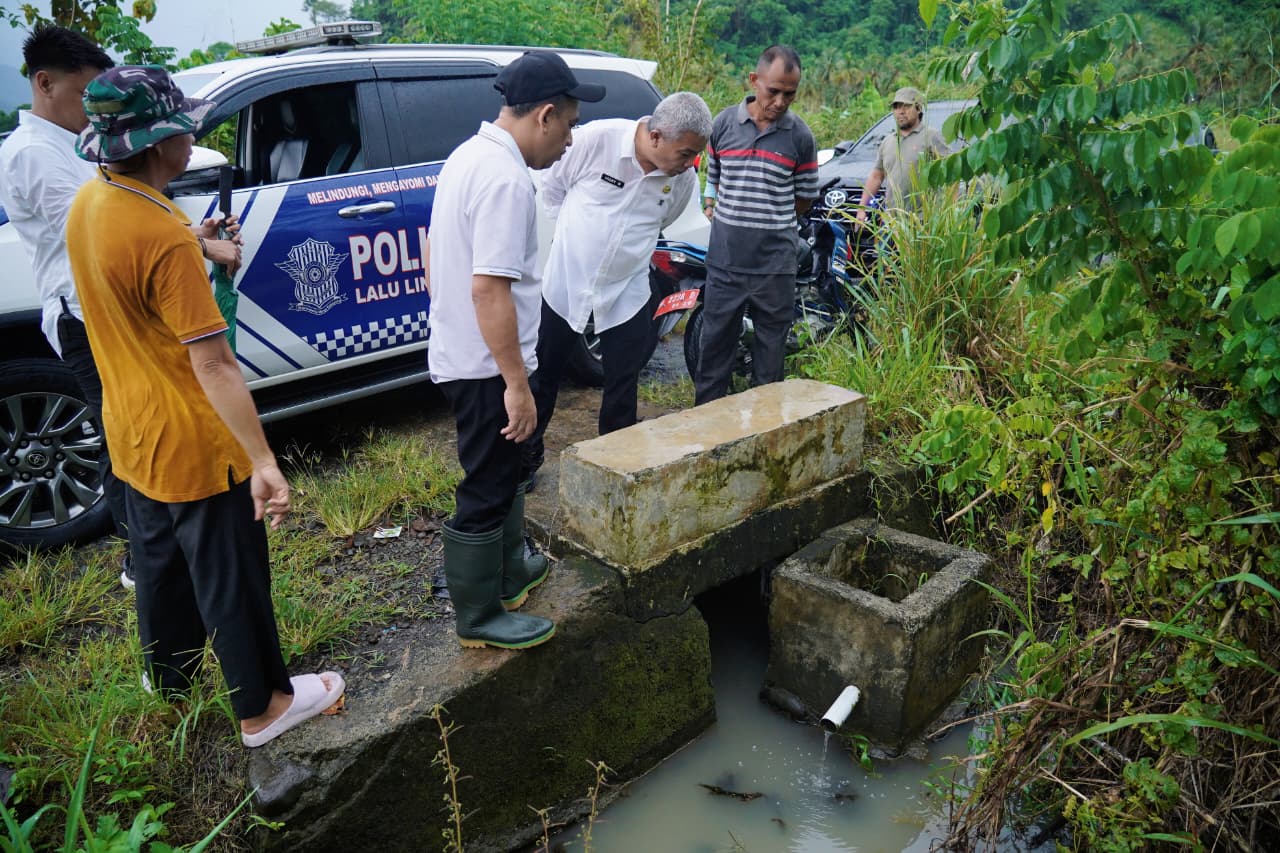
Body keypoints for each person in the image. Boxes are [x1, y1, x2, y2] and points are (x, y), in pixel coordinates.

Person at [65, 65, 339, 748]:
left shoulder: (93, 203)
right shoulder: (161, 235)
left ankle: (172, 677)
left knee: (159, 564)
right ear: (161, 144)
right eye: (185, 128)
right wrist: (262, 459)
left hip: (132, 428)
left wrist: (200, 241)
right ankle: (264, 706)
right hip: (193, 436)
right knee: (232, 573)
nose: (193, 138)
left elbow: (144, 253)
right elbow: (213, 363)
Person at [0, 26, 242, 589]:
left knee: (139, 429)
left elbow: (129, 215)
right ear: (45, 83)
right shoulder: (34, 155)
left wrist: (189, 234)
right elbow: (109, 231)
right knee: (125, 439)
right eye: (84, 94)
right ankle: (147, 558)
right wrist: (201, 244)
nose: (93, 110)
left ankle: (158, 552)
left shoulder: (64, 147)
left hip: (110, 307)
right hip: (87, 317)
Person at [426, 51, 604, 650]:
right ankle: (478, 616)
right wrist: (516, 383)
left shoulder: (467, 156)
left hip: (467, 351)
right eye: (571, 125)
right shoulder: (505, 179)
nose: (571, 140)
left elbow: (442, 260)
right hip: (486, 365)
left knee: (503, 473)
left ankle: (510, 571)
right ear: (546, 115)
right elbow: (489, 289)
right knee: (486, 482)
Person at [522, 91, 712, 483]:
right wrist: (573, 239)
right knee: (544, 375)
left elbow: (663, 220)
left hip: (627, 293)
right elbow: (552, 188)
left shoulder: (682, 179)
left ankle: (615, 467)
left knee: (622, 387)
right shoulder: (596, 141)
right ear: (656, 137)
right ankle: (526, 456)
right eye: (685, 152)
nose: (689, 163)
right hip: (566, 285)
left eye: (696, 154)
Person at [695, 45, 819, 405]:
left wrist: (768, 220)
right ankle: (704, 439)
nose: (780, 102)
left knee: (770, 364)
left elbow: (804, 198)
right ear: (754, 81)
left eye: (790, 94)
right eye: (774, 91)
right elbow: (714, 176)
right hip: (725, 262)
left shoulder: (800, 137)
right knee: (714, 353)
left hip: (775, 268)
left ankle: (763, 443)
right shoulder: (722, 125)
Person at [855, 86, 950, 223]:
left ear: (918, 108)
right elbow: (877, 176)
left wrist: (947, 212)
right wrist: (861, 208)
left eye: (906, 106)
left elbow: (951, 176)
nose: (901, 111)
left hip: (924, 221)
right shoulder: (888, 142)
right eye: (897, 107)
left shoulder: (931, 136)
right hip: (893, 222)